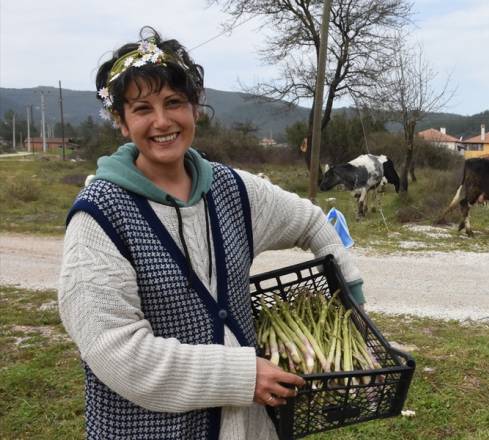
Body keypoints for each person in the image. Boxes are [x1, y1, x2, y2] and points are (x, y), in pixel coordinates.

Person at [58, 26, 367, 440]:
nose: (163, 121)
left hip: (247, 428)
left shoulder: (234, 190)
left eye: (174, 103)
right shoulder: (100, 218)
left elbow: (314, 221)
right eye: (142, 108)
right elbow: (115, 352)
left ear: (195, 108)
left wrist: (353, 296)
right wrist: (241, 376)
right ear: (120, 121)